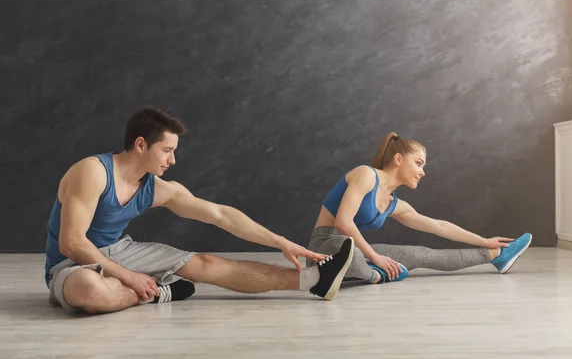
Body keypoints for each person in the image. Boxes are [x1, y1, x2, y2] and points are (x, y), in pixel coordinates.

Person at [45, 106, 355, 314]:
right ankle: (159, 291)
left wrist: (280, 242)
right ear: (141, 145)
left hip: (119, 250)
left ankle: (314, 280)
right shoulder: (93, 172)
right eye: (167, 151)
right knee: (89, 290)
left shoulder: (158, 188)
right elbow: (71, 242)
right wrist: (130, 277)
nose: (172, 160)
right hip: (70, 263)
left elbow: (221, 215)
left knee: (205, 263)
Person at [306, 132, 532, 284]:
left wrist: (485, 241)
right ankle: (375, 276)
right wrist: (375, 257)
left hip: (355, 252)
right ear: (398, 159)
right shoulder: (366, 175)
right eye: (418, 163)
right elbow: (342, 223)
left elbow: (439, 226)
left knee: (420, 254)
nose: (423, 171)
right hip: (323, 248)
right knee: (351, 250)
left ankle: (497, 256)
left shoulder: (394, 204)